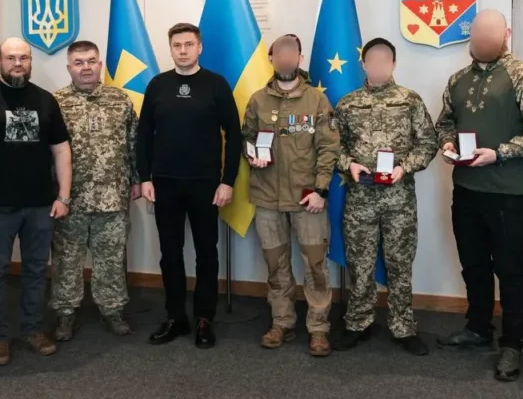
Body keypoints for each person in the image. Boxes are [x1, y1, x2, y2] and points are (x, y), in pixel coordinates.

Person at [435, 10, 523, 382]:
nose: (482, 45)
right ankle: (478, 327)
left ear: (506, 34)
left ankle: (513, 342)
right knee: (473, 265)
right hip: (466, 190)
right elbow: (445, 122)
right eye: (477, 39)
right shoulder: (458, 80)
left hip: (507, 193)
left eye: (489, 38)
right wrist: (447, 143)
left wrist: (500, 153)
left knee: (511, 270)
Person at [0, 38, 72, 365]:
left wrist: (63, 195)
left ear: (30, 61)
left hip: (40, 205)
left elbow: (61, 149)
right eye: (10, 58)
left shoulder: (46, 100)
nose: (17, 63)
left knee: (35, 270)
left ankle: (33, 329)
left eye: (23, 58)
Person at [137, 22, 242, 349]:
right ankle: (175, 317)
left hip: (206, 184)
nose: (182, 51)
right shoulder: (157, 85)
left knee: (207, 254)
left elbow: (234, 134)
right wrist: (144, 178)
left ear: (200, 47)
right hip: (164, 184)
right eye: (177, 45)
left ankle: (204, 318)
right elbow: (143, 135)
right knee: (170, 254)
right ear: (171, 49)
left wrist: (227, 181)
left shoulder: (216, 84)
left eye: (188, 44)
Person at [335, 38, 438, 356]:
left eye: (385, 60)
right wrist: (348, 164)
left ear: (393, 64)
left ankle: (403, 327)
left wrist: (404, 167)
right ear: (363, 64)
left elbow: (428, 142)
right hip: (360, 199)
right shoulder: (347, 104)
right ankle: (358, 323)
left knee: (400, 264)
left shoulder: (410, 100)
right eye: (372, 60)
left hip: (399, 200)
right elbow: (332, 146)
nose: (378, 65)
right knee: (360, 264)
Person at [241, 34, 339, 356]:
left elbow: (329, 148)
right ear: (271, 59)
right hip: (267, 197)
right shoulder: (258, 100)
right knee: (275, 264)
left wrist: (321, 190)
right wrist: (251, 154)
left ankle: (318, 327)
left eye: (291, 53)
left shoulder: (316, 100)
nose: (285, 59)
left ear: (299, 58)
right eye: (279, 53)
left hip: (307, 197)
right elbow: (246, 137)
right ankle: (282, 321)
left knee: (315, 265)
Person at [52, 40, 140, 340]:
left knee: (111, 258)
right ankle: (65, 313)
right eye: (79, 62)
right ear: (69, 67)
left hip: (112, 197)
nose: (86, 67)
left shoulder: (120, 100)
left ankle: (112, 310)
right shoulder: (55, 103)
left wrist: (137, 179)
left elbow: (133, 143)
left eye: (91, 61)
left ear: (100, 64)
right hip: (69, 199)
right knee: (66, 259)